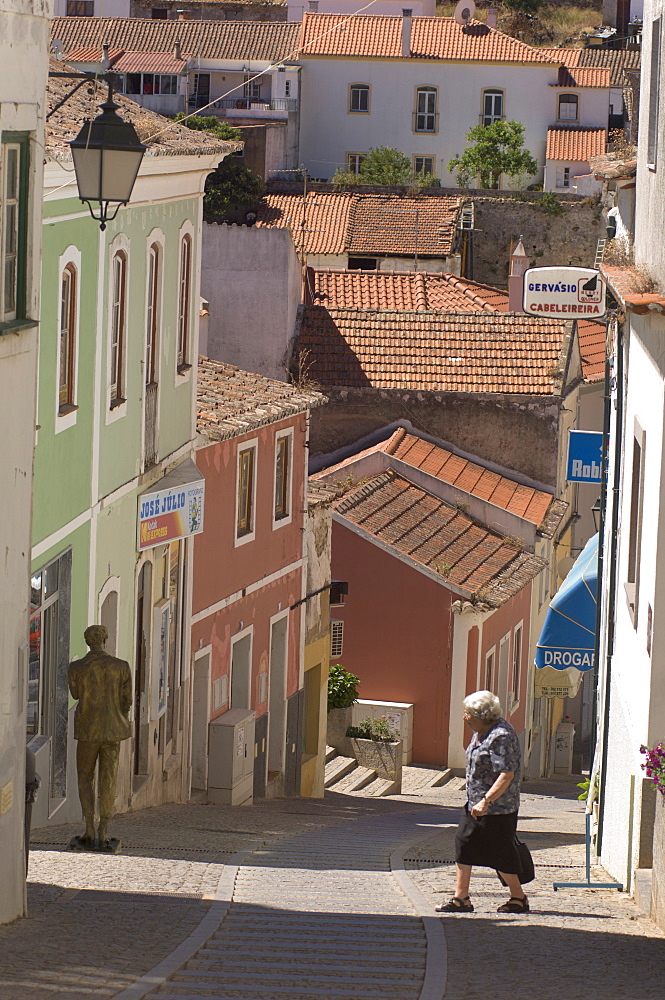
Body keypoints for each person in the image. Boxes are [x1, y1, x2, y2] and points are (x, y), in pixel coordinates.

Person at [436, 690, 529, 914]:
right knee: (464, 844)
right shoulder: (480, 732)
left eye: (467, 713)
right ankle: (461, 898)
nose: (464, 717)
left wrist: (486, 801)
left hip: (497, 808)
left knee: (500, 853)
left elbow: (507, 774)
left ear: (481, 715)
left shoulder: (501, 735)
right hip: (475, 803)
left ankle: (519, 898)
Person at [68, 625, 132, 848]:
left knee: (85, 777)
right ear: (105, 640)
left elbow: (75, 694)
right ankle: (104, 828)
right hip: (113, 731)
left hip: (87, 731)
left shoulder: (76, 667)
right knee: (109, 778)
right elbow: (127, 701)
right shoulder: (121, 666)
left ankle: (89, 827)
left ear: (87, 642)